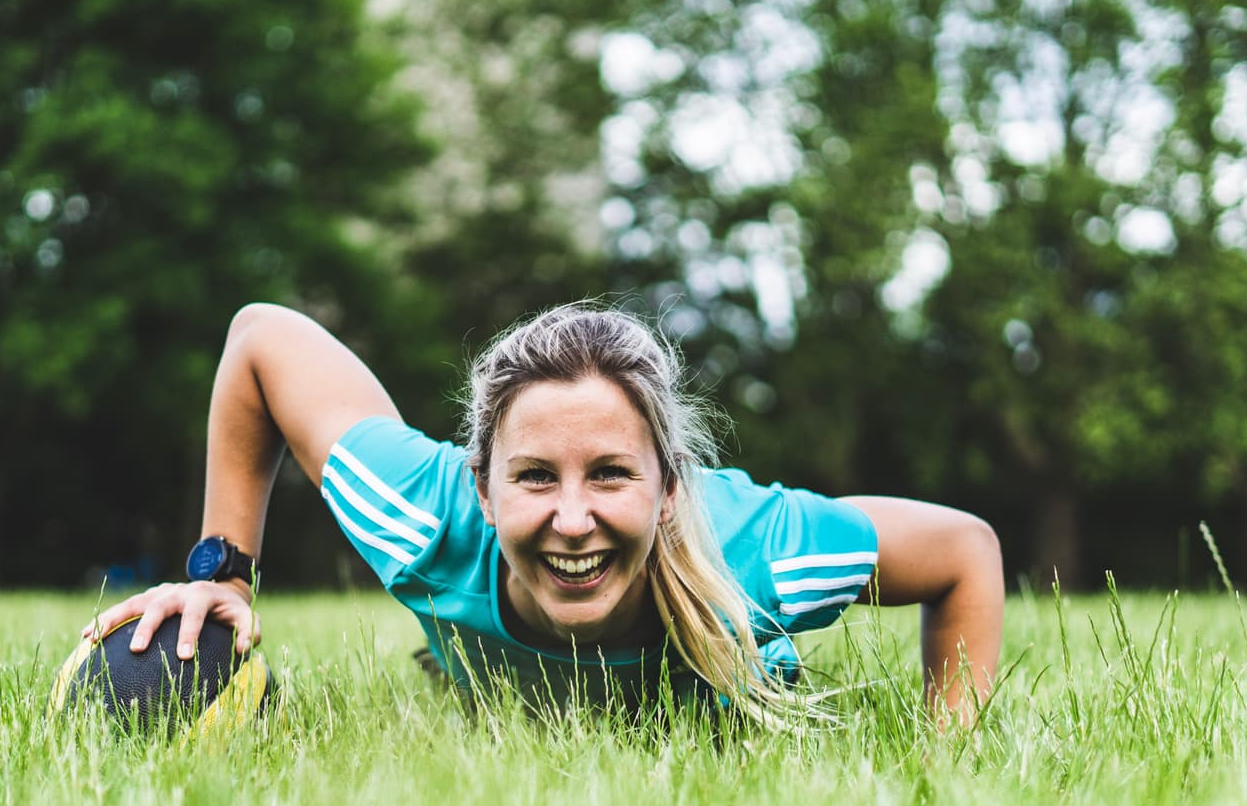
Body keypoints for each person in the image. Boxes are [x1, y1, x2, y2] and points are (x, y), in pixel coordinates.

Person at [84, 301, 1004, 725]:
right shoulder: (425, 519)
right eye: (533, 478)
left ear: (670, 487)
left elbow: (964, 552)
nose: (573, 519)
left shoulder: (755, 557)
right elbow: (260, 337)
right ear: (482, 487)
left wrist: (945, 766)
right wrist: (223, 575)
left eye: (610, 474)